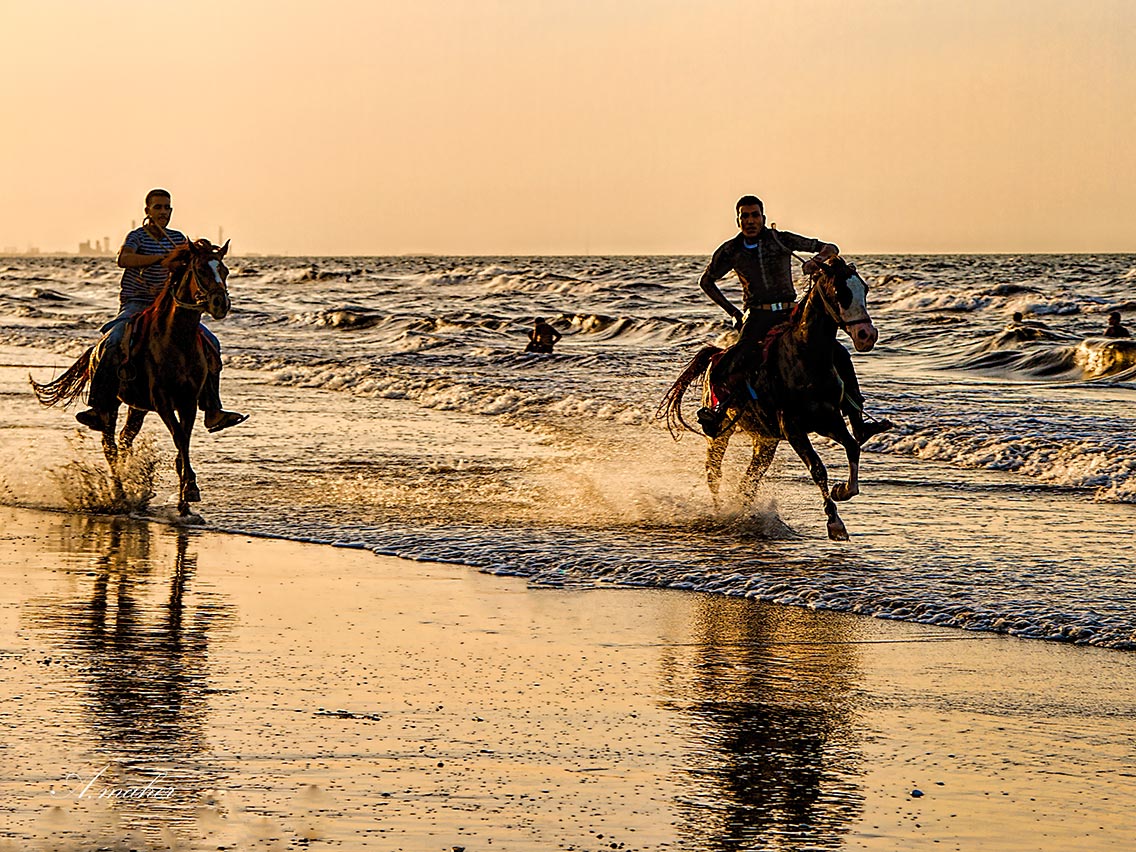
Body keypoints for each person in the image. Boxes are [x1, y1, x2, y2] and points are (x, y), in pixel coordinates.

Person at [695, 195, 893, 442]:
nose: (750, 221)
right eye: (744, 216)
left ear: (763, 218)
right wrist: (734, 312)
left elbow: (830, 248)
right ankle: (718, 412)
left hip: (790, 313)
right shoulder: (730, 250)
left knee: (839, 353)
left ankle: (858, 422)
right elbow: (706, 281)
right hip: (757, 315)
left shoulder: (780, 240)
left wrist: (816, 261)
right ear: (737, 220)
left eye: (755, 215)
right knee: (732, 362)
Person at [75, 189, 246, 433]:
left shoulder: (178, 239)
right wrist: (160, 260)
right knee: (113, 340)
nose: (163, 212)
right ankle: (99, 408)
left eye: (166, 208)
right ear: (148, 211)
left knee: (211, 343)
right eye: (158, 207)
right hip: (137, 304)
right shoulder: (137, 236)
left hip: (168, 306)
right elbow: (123, 259)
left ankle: (212, 409)